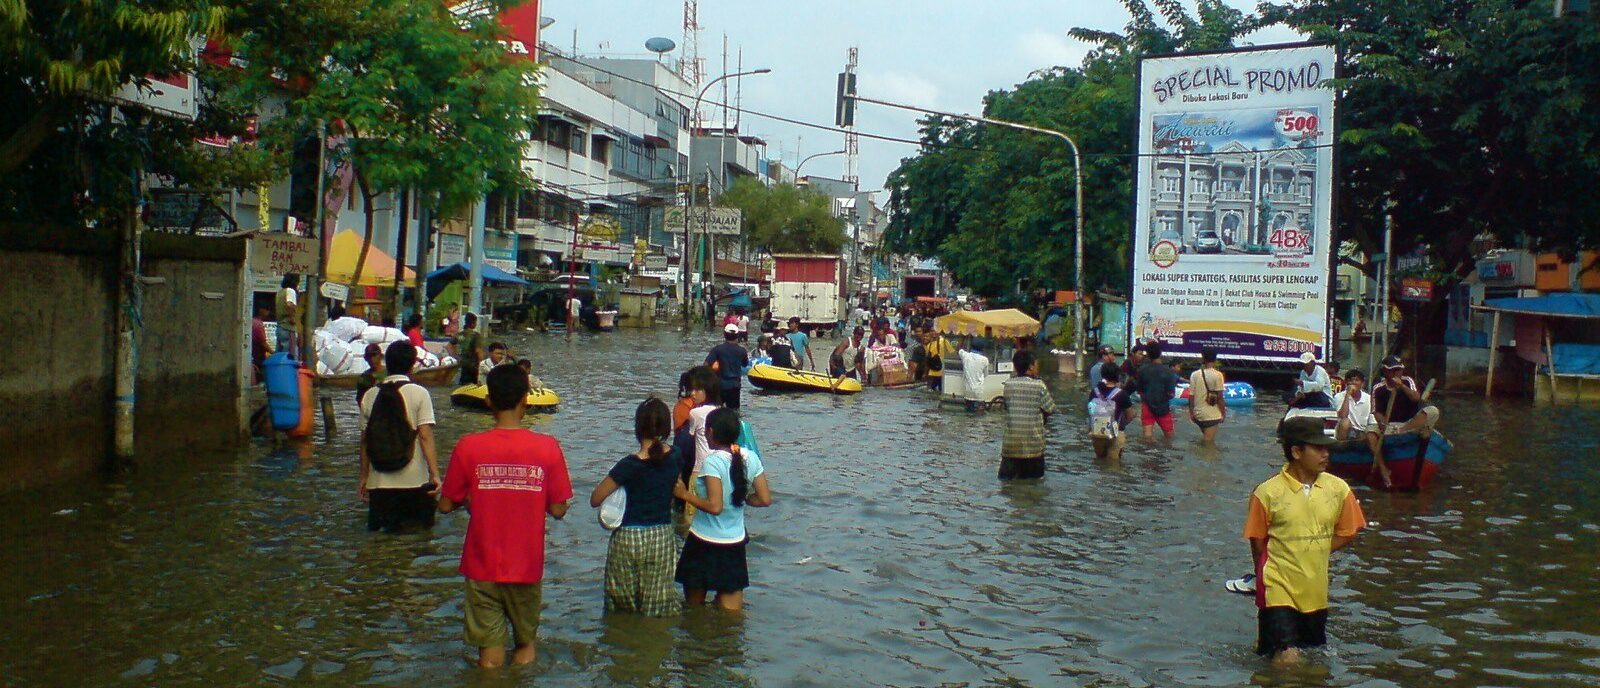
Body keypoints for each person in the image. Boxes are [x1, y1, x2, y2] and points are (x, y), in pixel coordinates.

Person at [438, 365, 573, 668]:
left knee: (489, 653)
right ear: (526, 399)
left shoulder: (468, 446)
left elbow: (446, 504)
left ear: (488, 402)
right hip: (525, 565)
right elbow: (558, 508)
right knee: (525, 644)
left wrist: (474, 498)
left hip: (482, 564)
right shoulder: (547, 448)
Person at [1244, 416, 1366, 664]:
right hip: (1277, 586)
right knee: (1288, 657)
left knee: (1312, 659)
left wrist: (1314, 548)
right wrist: (1262, 576)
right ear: (1297, 451)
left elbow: (1348, 531)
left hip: (1315, 591)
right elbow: (1257, 540)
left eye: (1326, 448)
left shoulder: (1339, 489)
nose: (1325, 454)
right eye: (1318, 448)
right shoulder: (1267, 492)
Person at [673, 407, 773, 611]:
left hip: (703, 542)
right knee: (731, 617)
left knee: (693, 611)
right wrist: (742, 498)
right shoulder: (751, 458)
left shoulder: (712, 462)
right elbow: (764, 499)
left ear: (710, 432)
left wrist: (685, 495)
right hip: (734, 545)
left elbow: (715, 506)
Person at [589, 398, 682, 617]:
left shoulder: (629, 465)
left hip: (628, 538)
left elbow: (595, 499)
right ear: (666, 428)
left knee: (621, 608)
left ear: (638, 429)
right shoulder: (676, 456)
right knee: (658, 606)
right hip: (661, 536)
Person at [359, 341, 441, 533]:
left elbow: (365, 441)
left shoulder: (370, 395)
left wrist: (364, 477)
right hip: (414, 482)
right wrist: (435, 474)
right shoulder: (420, 393)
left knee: (380, 543)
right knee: (416, 541)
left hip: (379, 483)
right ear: (412, 364)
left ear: (387, 363)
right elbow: (425, 437)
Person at [998, 350, 1057, 480]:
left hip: (1010, 446)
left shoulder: (1008, 385)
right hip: (1033, 448)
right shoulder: (1039, 386)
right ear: (1030, 367)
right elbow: (1051, 408)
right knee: (1033, 485)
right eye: (1036, 364)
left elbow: (1007, 407)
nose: (1037, 367)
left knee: (1007, 485)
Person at [1333, 369, 1390, 488]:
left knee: (1371, 435)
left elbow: (1372, 422)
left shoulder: (1369, 398)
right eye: (1350, 380)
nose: (1353, 383)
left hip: (1362, 432)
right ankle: (1343, 458)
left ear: (1362, 383)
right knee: (1345, 422)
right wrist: (1348, 395)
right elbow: (1342, 415)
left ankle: (1381, 468)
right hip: (1345, 432)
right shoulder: (1339, 396)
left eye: (1356, 380)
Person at [1372, 355, 1441, 436]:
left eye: (1399, 370)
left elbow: (1416, 398)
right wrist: (1383, 424)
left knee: (1433, 411)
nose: (1396, 373)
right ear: (1385, 371)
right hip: (1391, 426)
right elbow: (1377, 412)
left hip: (1410, 423)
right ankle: (1395, 435)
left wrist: (1402, 386)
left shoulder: (1408, 381)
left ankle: (1402, 431)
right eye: (1393, 370)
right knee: (1373, 430)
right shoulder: (1378, 388)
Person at [1136, 344, 1178, 439]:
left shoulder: (1142, 370)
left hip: (1147, 406)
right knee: (1170, 438)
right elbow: (1171, 394)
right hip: (1163, 407)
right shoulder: (1169, 372)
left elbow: (1140, 391)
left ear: (1148, 355)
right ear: (1160, 353)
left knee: (1147, 437)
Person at [705, 324, 750, 409]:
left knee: (716, 411)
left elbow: (706, 365)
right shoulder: (742, 351)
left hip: (720, 385)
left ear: (724, 335)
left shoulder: (717, 349)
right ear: (737, 336)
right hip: (735, 386)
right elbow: (745, 364)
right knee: (734, 412)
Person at [1090, 365, 1128, 461]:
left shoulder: (1094, 392)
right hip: (1116, 432)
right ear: (1117, 376)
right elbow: (1131, 413)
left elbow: (1091, 410)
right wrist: (1123, 424)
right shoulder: (1121, 394)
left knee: (1099, 460)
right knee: (1113, 465)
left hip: (1097, 431)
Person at [1189, 347, 1227, 443]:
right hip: (1211, 416)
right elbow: (1220, 398)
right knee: (1209, 444)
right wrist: (1223, 413)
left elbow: (1191, 396)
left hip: (1198, 415)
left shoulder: (1194, 374)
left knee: (1204, 440)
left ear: (1203, 358)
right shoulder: (1218, 375)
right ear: (1215, 359)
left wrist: (1191, 413)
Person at [451, 313, 485, 385]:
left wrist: (456, 357)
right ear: (473, 323)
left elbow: (448, 346)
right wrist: (483, 364)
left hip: (463, 364)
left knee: (463, 385)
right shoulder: (476, 335)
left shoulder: (460, 334)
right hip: (474, 365)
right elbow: (478, 351)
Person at [959, 340, 991, 412]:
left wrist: (963, 338)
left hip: (968, 391)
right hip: (979, 391)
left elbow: (959, 349)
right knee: (978, 414)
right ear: (982, 349)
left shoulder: (965, 356)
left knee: (968, 412)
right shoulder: (985, 360)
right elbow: (986, 374)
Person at [275, 275, 300, 359]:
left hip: (280, 327)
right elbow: (289, 305)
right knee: (290, 355)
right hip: (288, 327)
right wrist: (292, 318)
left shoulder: (280, 292)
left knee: (280, 355)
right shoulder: (290, 291)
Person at [251, 306, 270, 383]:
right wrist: (274, 353)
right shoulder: (258, 324)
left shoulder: (252, 321)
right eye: (267, 310)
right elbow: (263, 343)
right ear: (262, 310)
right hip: (257, 357)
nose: (268, 313)